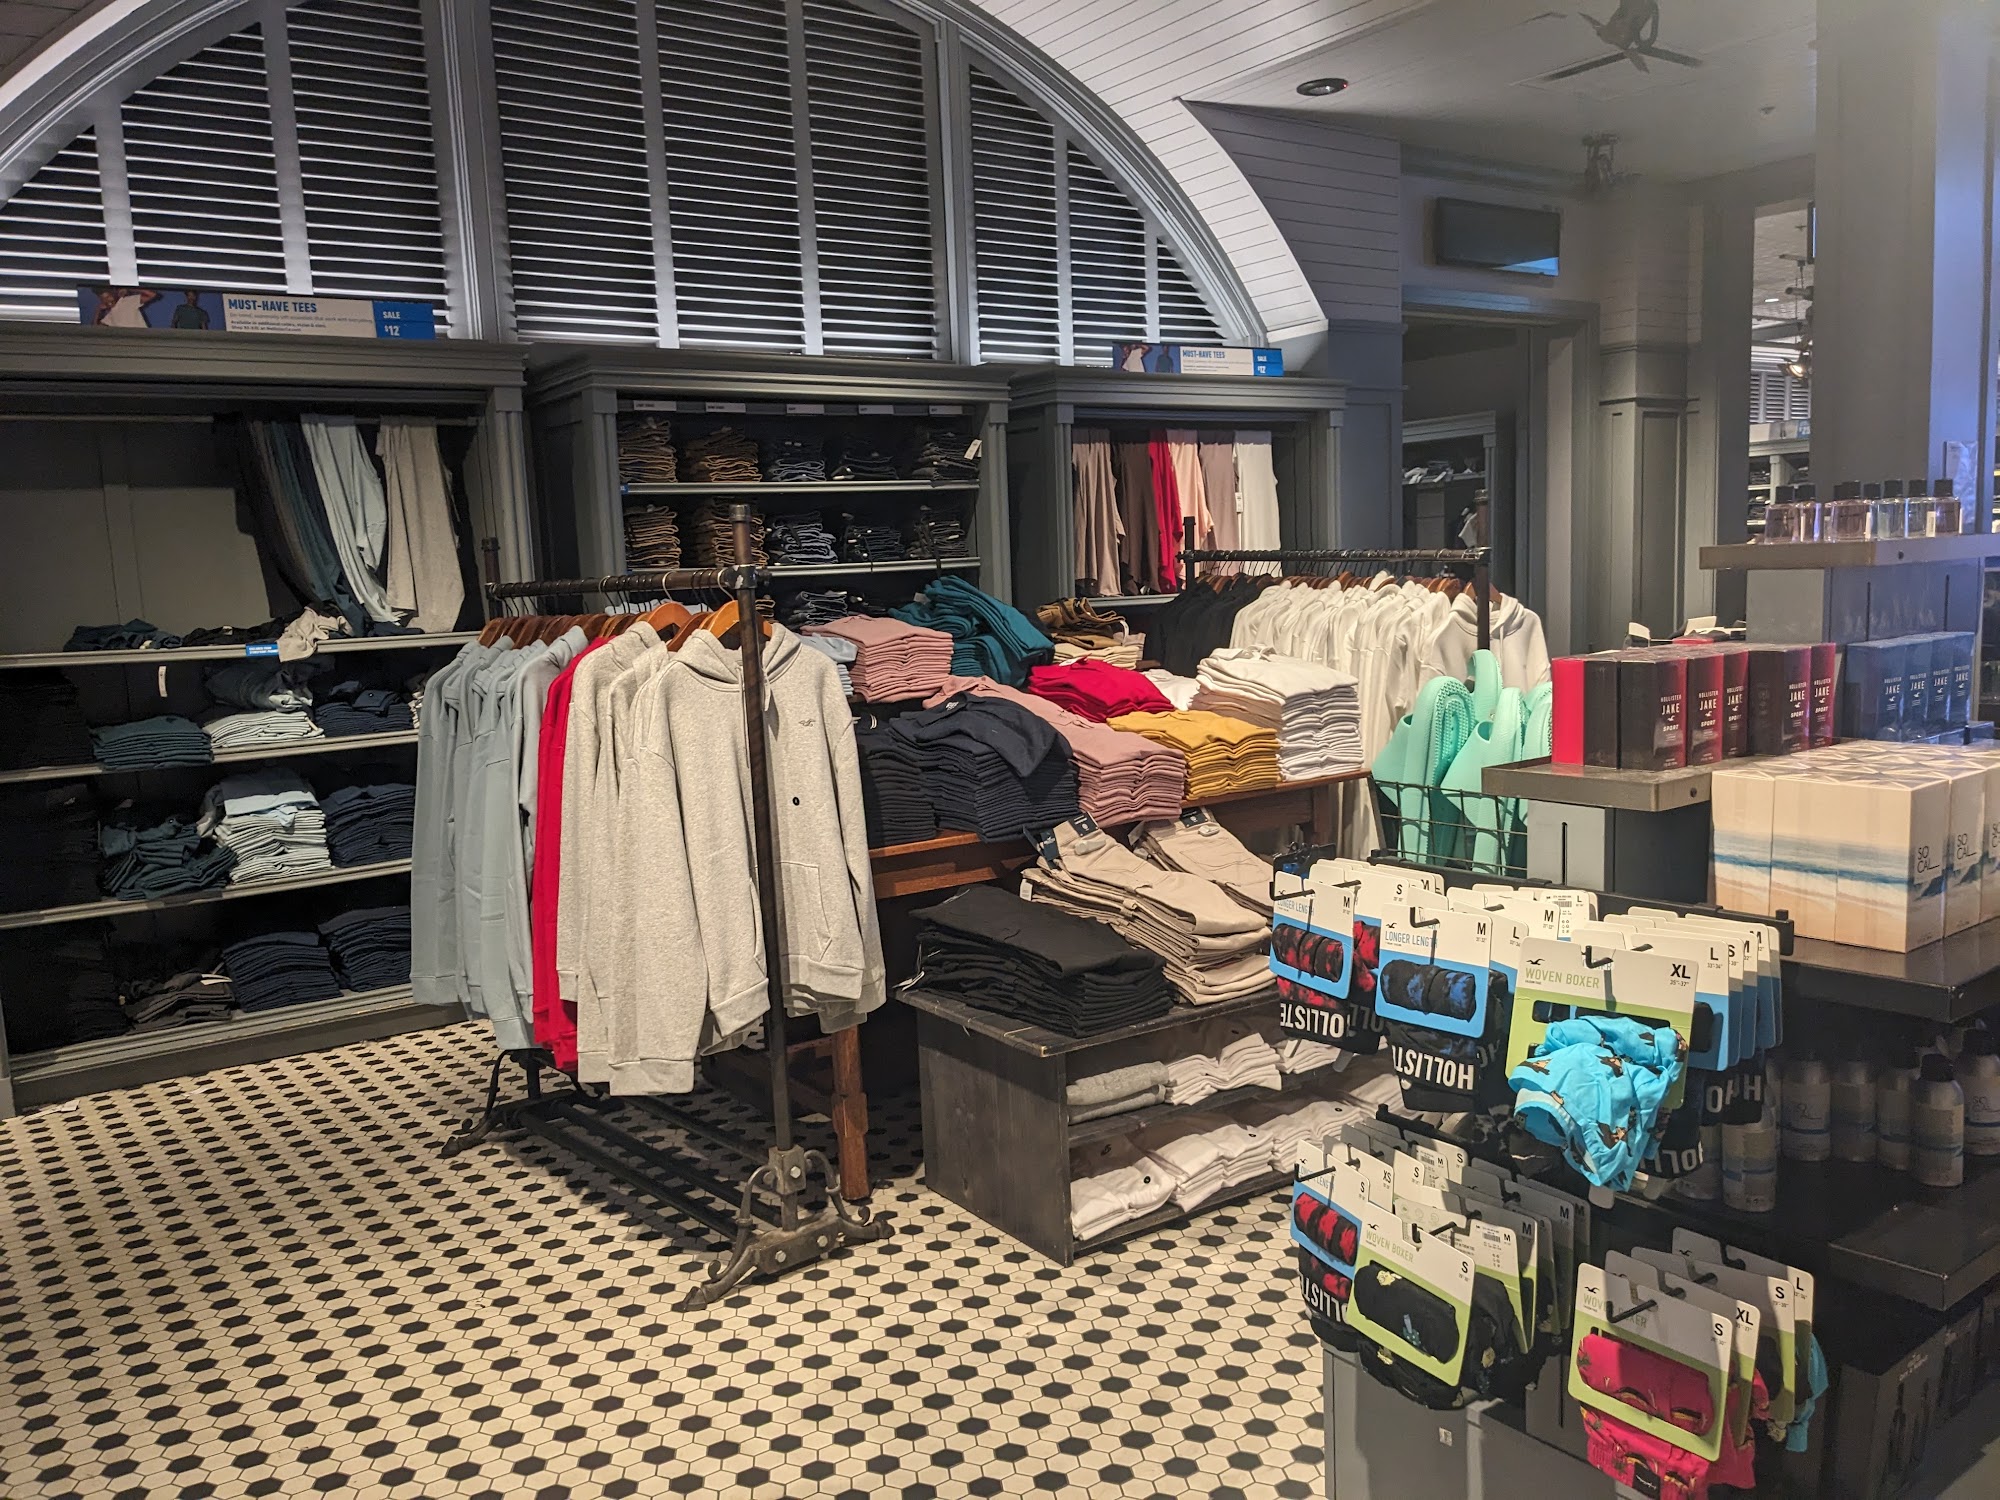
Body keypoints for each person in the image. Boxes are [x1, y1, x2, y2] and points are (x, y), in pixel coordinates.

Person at [94, 287, 159, 328]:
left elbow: (151, 294)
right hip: (127, 343)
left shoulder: (127, 301)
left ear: (114, 294)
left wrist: (129, 288)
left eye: (108, 297)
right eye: (103, 299)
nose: (106, 300)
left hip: (141, 340)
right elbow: (96, 330)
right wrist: (98, 310)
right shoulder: (110, 316)